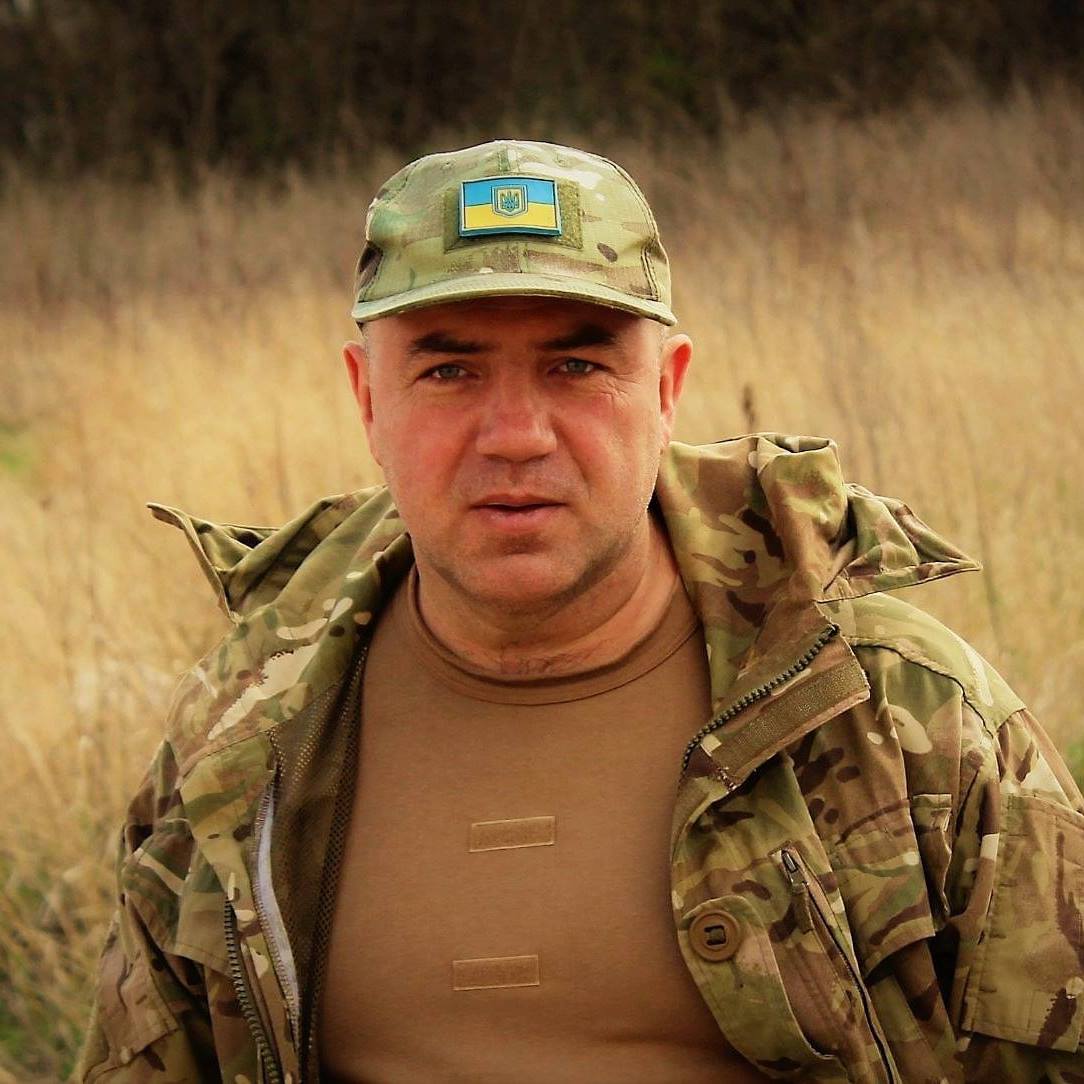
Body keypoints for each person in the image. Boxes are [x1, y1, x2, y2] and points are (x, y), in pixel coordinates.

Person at [77, 140, 1084, 1084]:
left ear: (667, 391)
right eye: (448, 370)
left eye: (577, 366)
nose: (516, 434)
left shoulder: (896, 712)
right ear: (368, 400)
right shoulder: (245, 731)